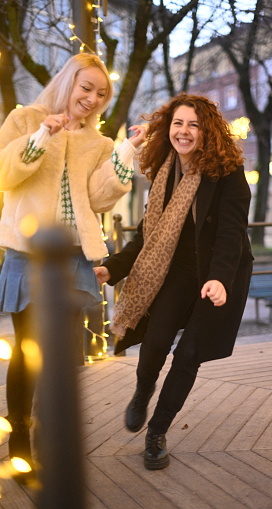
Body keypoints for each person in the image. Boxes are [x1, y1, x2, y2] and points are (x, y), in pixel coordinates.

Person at [0, 53, 145, 481]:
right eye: (87, 88)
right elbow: (6, 173)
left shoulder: (97, 142)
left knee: (64, 354)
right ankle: (21, 440)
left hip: (74, 257)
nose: (93, 98)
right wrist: (44, 134)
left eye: (102, 94)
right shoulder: (26, 119)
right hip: (28, 253)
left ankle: (53, 439)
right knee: (28, 351)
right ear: (68, 82)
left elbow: (99, 199)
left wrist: (126, 150)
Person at [94, 94, 253, 470]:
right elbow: (149, 236)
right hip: (179, 272)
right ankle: (143, 389)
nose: (184, 131)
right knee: (156, 341)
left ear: (207, 132)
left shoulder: (227, 173)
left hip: (219, 276)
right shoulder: (165, 171)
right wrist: (111, 269)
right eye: (178, 123)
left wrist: (218, 279)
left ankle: (157, 434)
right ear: (169, 129)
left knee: (188, 357)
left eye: (193, 125)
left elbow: (232, 233)